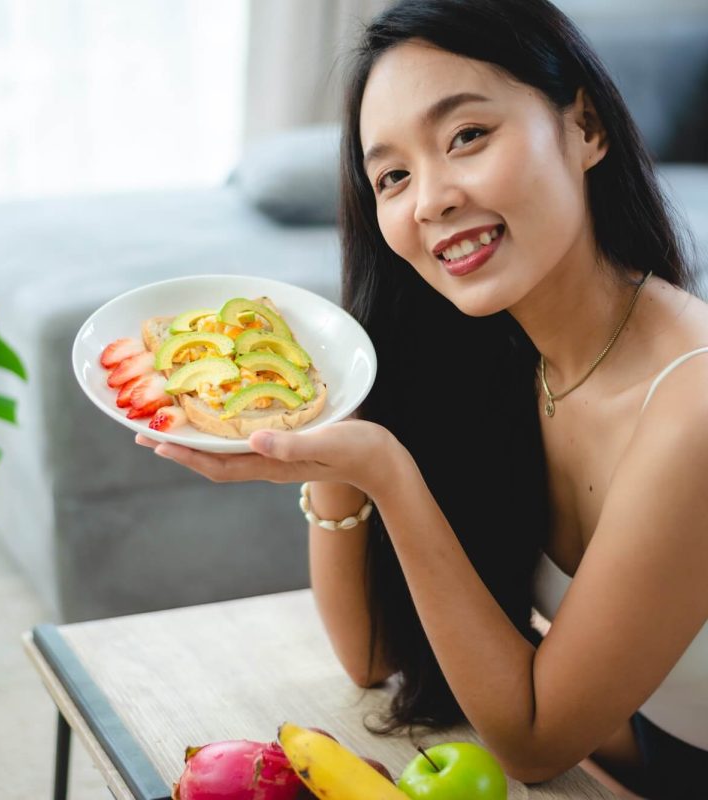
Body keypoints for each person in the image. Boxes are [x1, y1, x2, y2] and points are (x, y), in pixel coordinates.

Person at [137, 0, 708, 796]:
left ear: (584, 128)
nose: (431, 199)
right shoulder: (499, 354)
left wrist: (389, 476)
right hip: (632, 748)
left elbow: (535, 747)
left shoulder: (693, 405)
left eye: (467, 136)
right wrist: (333, 421)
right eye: (393, 176)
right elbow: (373, 655)